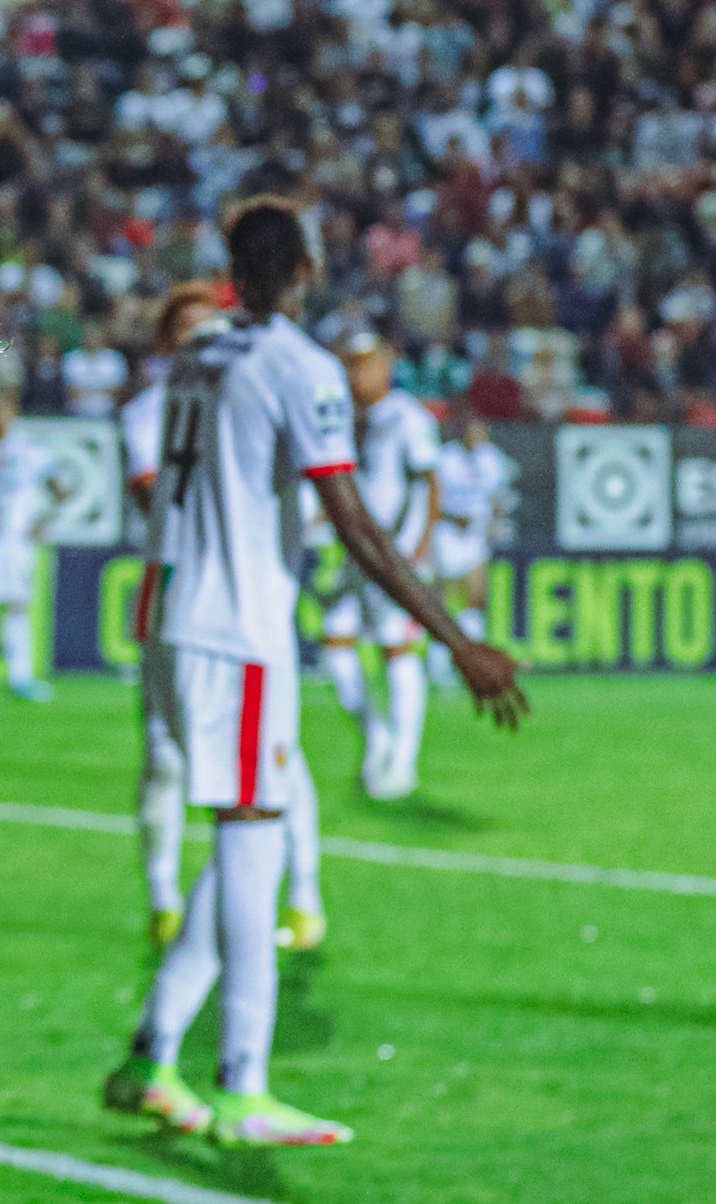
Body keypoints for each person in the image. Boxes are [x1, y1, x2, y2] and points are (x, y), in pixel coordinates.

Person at [102, 201, 524, 1147]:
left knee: (250, 828)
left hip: (176, 614)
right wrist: (458, 639)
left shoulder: (197, 355)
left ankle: (153, 1051)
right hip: (240, 626)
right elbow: (356, 521)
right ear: (304, 267)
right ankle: (243, 1085)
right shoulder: (299, 364)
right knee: (256, 835)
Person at [120, 283, 328, 952]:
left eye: (208, 328)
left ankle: (301, 896)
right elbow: (153, 492)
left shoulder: (245, 394)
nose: (199, 342)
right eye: (184, 331)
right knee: (166, 760)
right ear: (165, 343)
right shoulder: (148, 412)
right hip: (178, 588)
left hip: (235, 597)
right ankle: (164, 898)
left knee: (276, 761)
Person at [321, 331, 444, 800]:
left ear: (386, 366)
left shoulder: (407, 417)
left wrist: (417, 548)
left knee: (397, 648)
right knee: (336, 645)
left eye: (363, 364)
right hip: (360, 554)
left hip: (395, 555)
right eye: (349, 364)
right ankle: (377, 737)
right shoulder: (354, 418)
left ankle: (404, 761)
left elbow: (430, 482)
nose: (355, 374)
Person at [0, 362, 62, 701]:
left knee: (18, 606)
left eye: (1, 411)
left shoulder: (30, 450)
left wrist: (45, 517)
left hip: (18, 539)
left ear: (13, 412)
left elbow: (61, 486)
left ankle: (21, 677)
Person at [428, 409, 513, 689]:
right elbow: (430, 497)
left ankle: (472, 661)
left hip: (475, 536)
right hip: (447, 533)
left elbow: (499, 497)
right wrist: (452, 517)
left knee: (476, 597)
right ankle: (440, 664)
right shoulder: (446, 458)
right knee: (445, 599)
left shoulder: (492, 460)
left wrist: (493, 524)